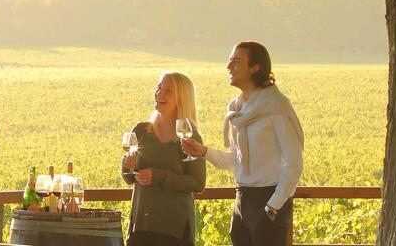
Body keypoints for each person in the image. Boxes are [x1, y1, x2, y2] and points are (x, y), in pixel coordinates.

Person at [182, 41, 304, 246]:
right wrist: (203, 151)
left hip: (269, 199)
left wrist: (273, 207)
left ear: (255, 67)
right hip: (242, 198)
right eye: (229, 61)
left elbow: (294, 163)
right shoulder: (237, 109)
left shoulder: (276, 107)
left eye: (235, 62)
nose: (229, 67)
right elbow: (235, 161)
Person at [122, 71, 206, 246]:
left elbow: (197, 183)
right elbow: (129, 178)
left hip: (174, 228)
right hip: (141, 225)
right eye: (159, 87)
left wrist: (158, 176)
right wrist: (126, 167)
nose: (159, 93)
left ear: (182, 99)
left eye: (168, 90)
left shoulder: (190, 138)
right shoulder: (141, 131)